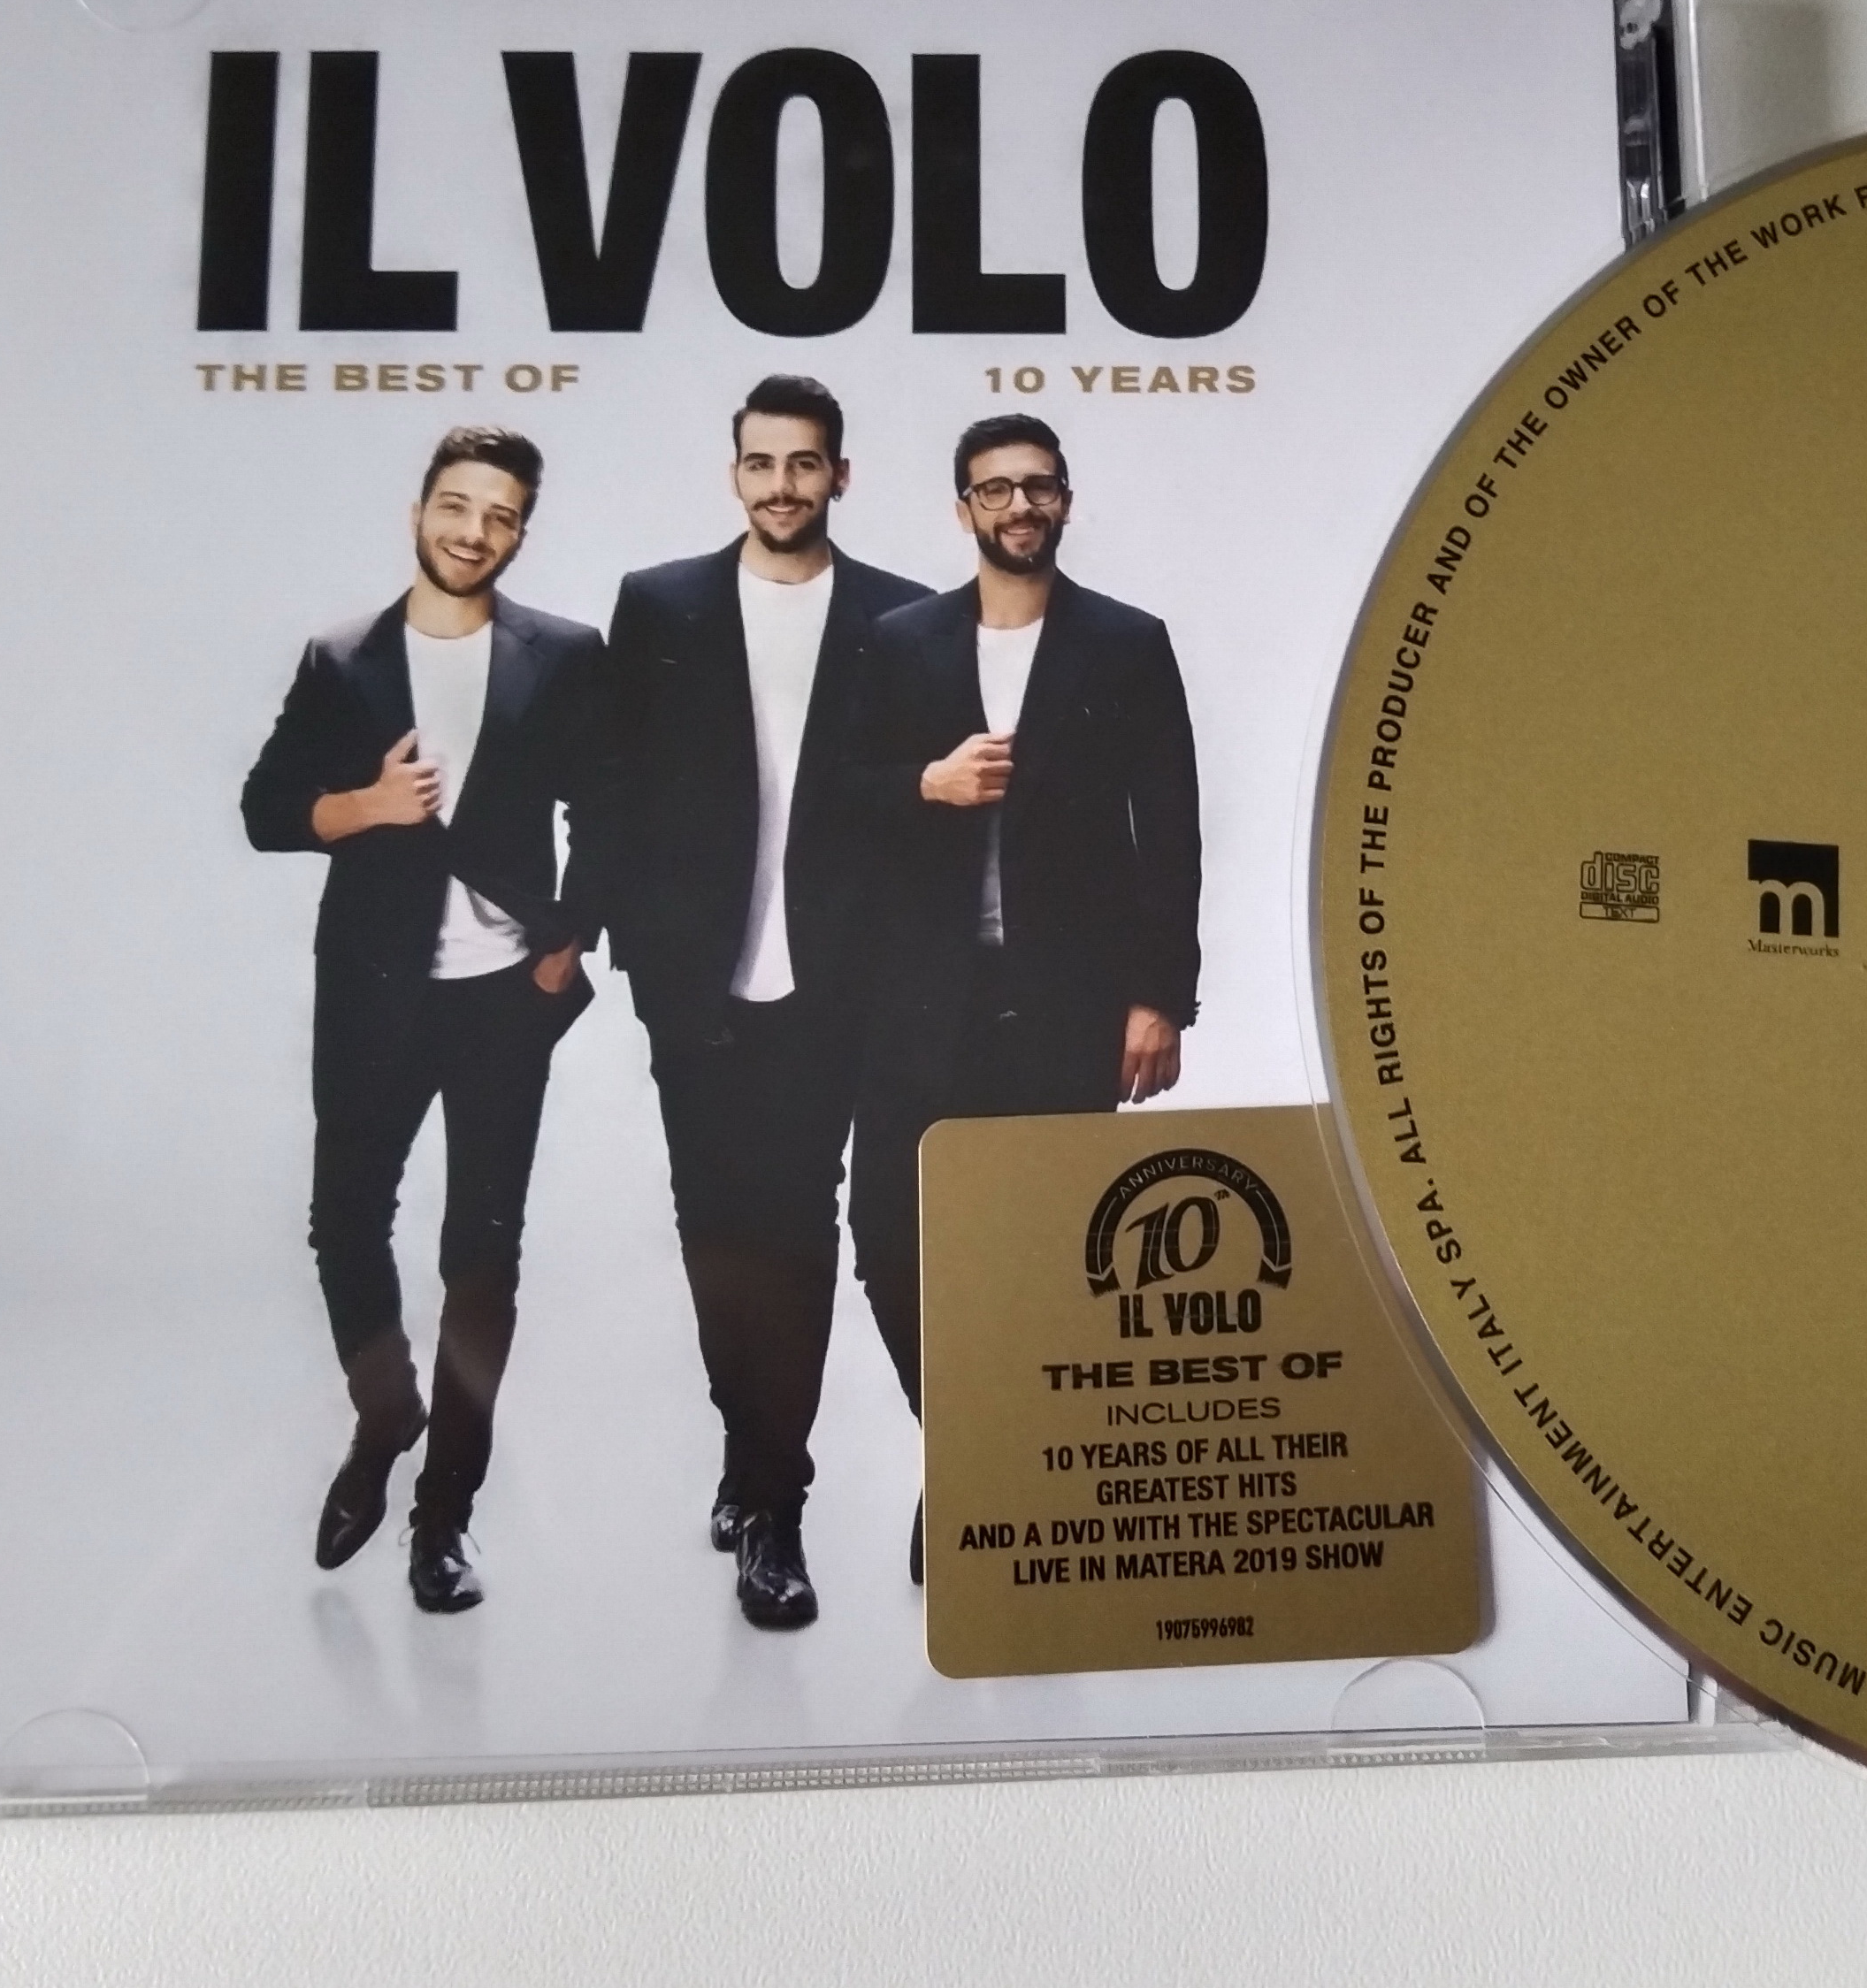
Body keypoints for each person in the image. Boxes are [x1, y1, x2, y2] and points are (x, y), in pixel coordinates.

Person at [241, 424, 606, 1614]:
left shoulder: (564, 655)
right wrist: (368, 805)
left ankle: (444, 1515)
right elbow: (265, 810)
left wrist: (567, 944)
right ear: (418, 512)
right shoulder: (343, 656)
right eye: (456, 506)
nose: (473, 531)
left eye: (500, 515)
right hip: (373, 987)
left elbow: (614, 810)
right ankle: (386, 1412)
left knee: (482, 1254)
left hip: (506, 995)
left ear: (521, 532)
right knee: (343, 1219)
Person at [585, 375, 930, 1632]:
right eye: (761, 463)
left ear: (841, 475)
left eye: (805, 463)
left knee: (797, 1226)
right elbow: (615, 787)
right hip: (698, 982)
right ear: (735, 473)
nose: (782, 485)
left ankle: (777, 1508)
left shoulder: (902, 617)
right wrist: (633, 950)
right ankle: (748, 1449)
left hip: (840, 985)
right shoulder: (660, 604)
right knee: (716, 1229)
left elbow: (914, 814)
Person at [850, 416, 1200, 1579]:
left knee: (1053, 1242)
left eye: (1037, 486)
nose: (1018, 506)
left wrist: (1161, 997)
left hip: (1068, 1000)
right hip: (921, 1000)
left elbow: (1172, 830)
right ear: (963, 508)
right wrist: (926, 782)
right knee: (888, 1230)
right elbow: (832, 805)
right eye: (994, 488)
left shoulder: (1126, 642)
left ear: (1065, 500)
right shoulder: (900, 641)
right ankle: (962, 1447)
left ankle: (1018, 1472)